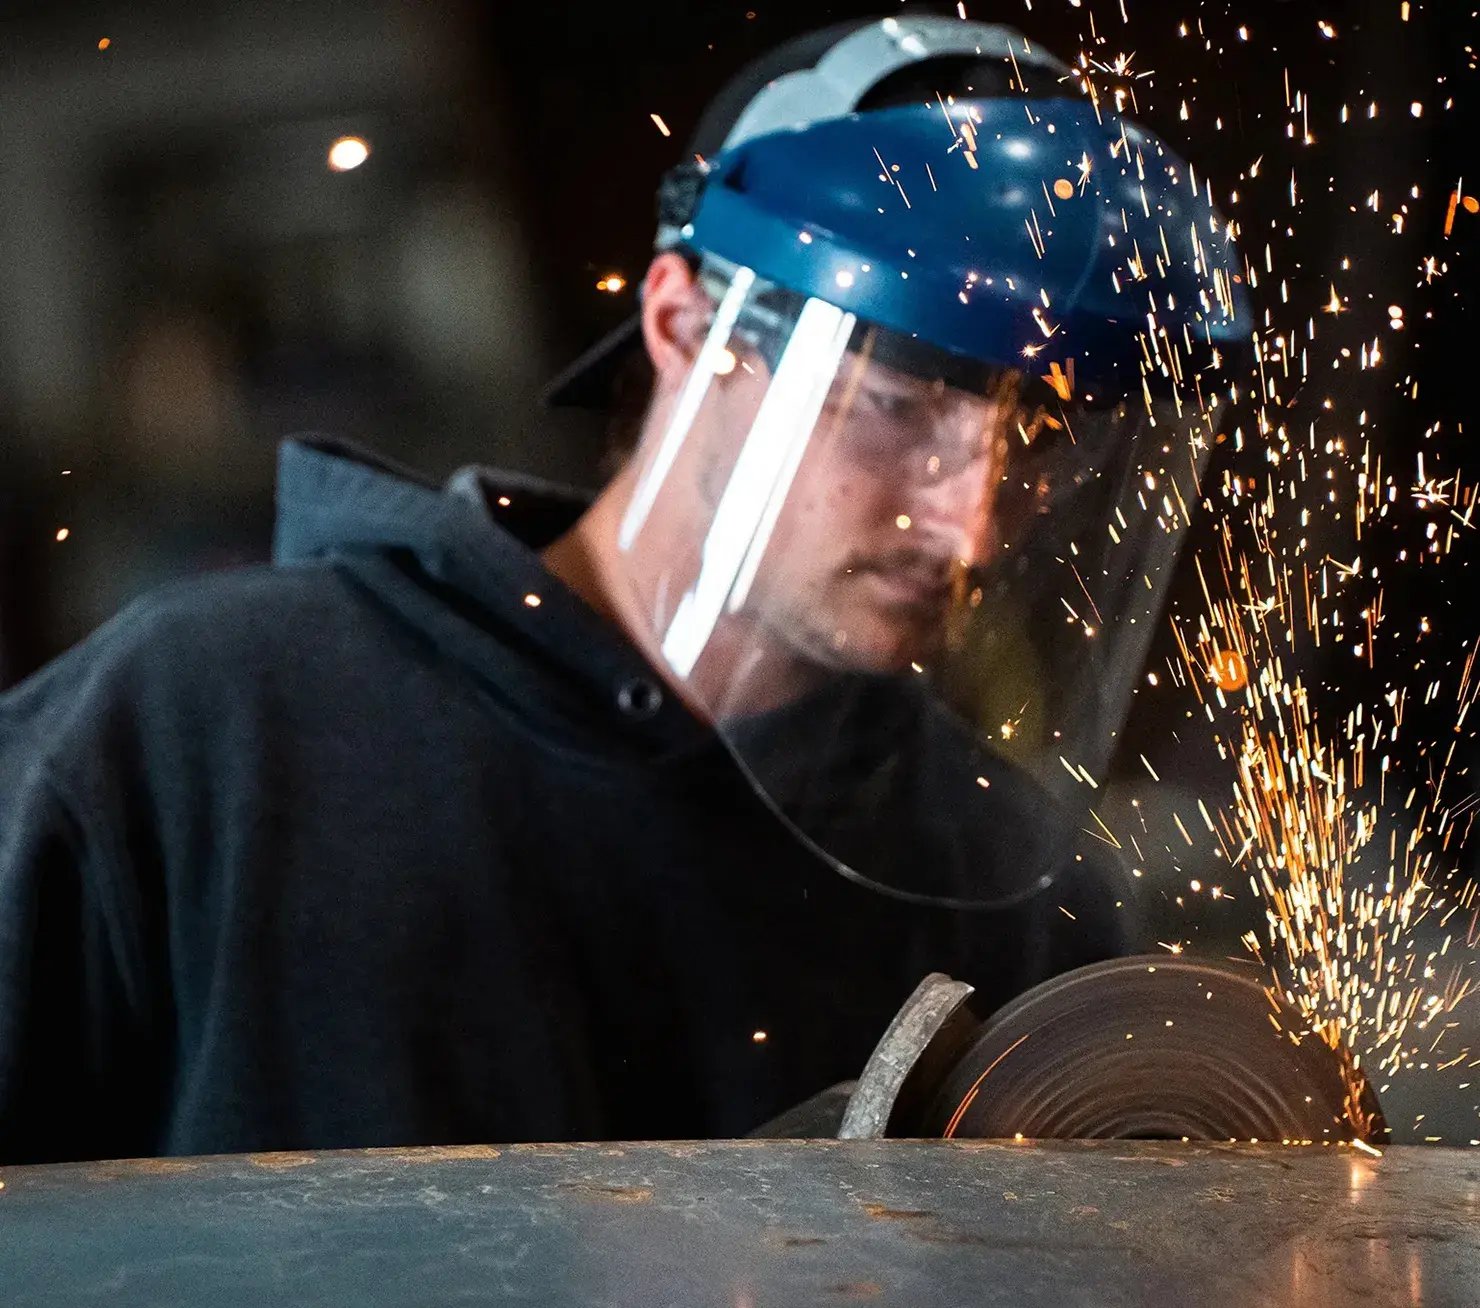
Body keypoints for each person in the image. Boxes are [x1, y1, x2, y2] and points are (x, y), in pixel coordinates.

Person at [0, 16, 1247, 1164]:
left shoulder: (1013, 879)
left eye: (1036, 446)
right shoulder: (198, 732)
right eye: (899, 406)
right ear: (682, 324)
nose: (967, 522)